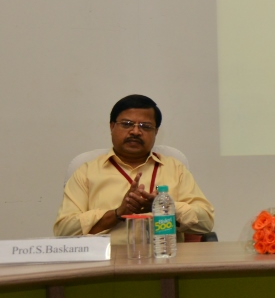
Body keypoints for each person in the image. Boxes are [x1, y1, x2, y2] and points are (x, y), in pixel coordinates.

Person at [54, 94, 215, 244]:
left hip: (164, 259)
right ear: (112, 126)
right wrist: (117, 213)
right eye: (127, 124)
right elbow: (64, 230)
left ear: (156, 132)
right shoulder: (86, 172)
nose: (136, 131)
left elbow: (206, 222)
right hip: (106, 262)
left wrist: (164, 207)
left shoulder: (175, 169)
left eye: (145, 126)